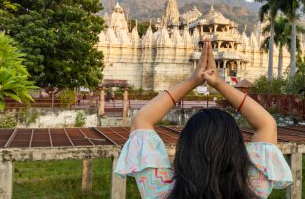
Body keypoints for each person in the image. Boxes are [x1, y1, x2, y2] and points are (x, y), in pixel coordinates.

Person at [114, 37, 293, 199]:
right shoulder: (254, 189)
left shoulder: (160, 191)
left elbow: (141, 119)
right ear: (237, 150)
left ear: (185, 148)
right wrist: (219, 83)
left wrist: (192, 80)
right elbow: (267, 124)